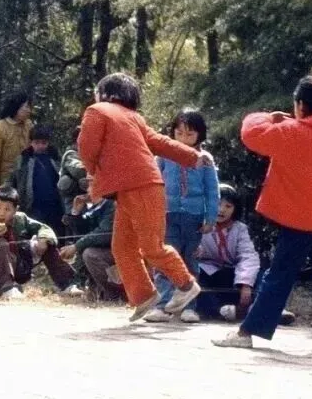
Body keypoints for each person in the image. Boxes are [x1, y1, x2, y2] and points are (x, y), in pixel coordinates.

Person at [213, 75, 312, 352]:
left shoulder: (291, 132)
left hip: (300, 220)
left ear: (301, 105)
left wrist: (270, 117)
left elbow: (250, 133)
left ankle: (247, 332)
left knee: (278, 276)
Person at [77, 73, 209, 322]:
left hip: (140, 185)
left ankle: (185, 284)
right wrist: (192, 156)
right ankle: (144, 295)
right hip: (136, 187)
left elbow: (86, 146)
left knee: (151, 246)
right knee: (123, 247)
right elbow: (158, 141)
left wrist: (92, 171)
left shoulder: (97, 110)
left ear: (105, 93)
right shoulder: (133, 117)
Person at [145, 109, 220, 323]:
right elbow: (154, 183)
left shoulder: (205, 159)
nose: (184, 139)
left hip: (194, 218)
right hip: (168, 215)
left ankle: (189, 307)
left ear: (199, 135)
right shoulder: (163, 156)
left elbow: (212, 191)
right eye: (179, 133)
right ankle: (162, 306)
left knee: (190, 260)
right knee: (166, 259)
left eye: (190, 134)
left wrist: (210, 218)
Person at [0, 186, 76, 299]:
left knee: (46, 242)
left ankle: (67, 284)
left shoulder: (21, 219)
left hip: (18, 265)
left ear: (16, 210)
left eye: (7, 209)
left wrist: (43, 239)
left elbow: (44, 228)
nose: (2, 213)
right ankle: (7, 287)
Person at [192, 185, 261, 321]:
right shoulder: (199, 224)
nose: (221, 210)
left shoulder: (240, 229)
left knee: (260, 275)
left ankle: (266, 309)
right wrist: (196, 250)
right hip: (209, 272)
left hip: (233, 274)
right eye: (217, 204)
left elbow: (247, 256)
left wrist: (246, 284)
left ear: (235, 209)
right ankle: (220, 311)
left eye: (228, 206)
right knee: (197, 279)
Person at [58, 175, 121, 302]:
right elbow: (82, 234)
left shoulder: (112, 205)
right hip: (109, 250)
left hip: (121, 251)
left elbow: (103, 234)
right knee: (85, 251)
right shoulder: (94, 207)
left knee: (90, 254)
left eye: (91, 184)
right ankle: (91, 287)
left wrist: (76, 247)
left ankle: (117, 294)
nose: (87, 189)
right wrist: (75, 212)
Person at [7, 124, 65, 235]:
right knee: (36, 234)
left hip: (55, 204)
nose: (40, 146)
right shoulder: (23, 160)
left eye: (44, 143)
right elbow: (12, 179)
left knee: (56, 234)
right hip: (33, 206)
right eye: (36, 143)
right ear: (31, 142)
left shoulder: (55, 158)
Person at [0, 92, 32, 193]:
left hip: (26, 182)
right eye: (26, 107)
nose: (29, 110)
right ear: (16, 107)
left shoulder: (29, 125)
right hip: (6, 185)